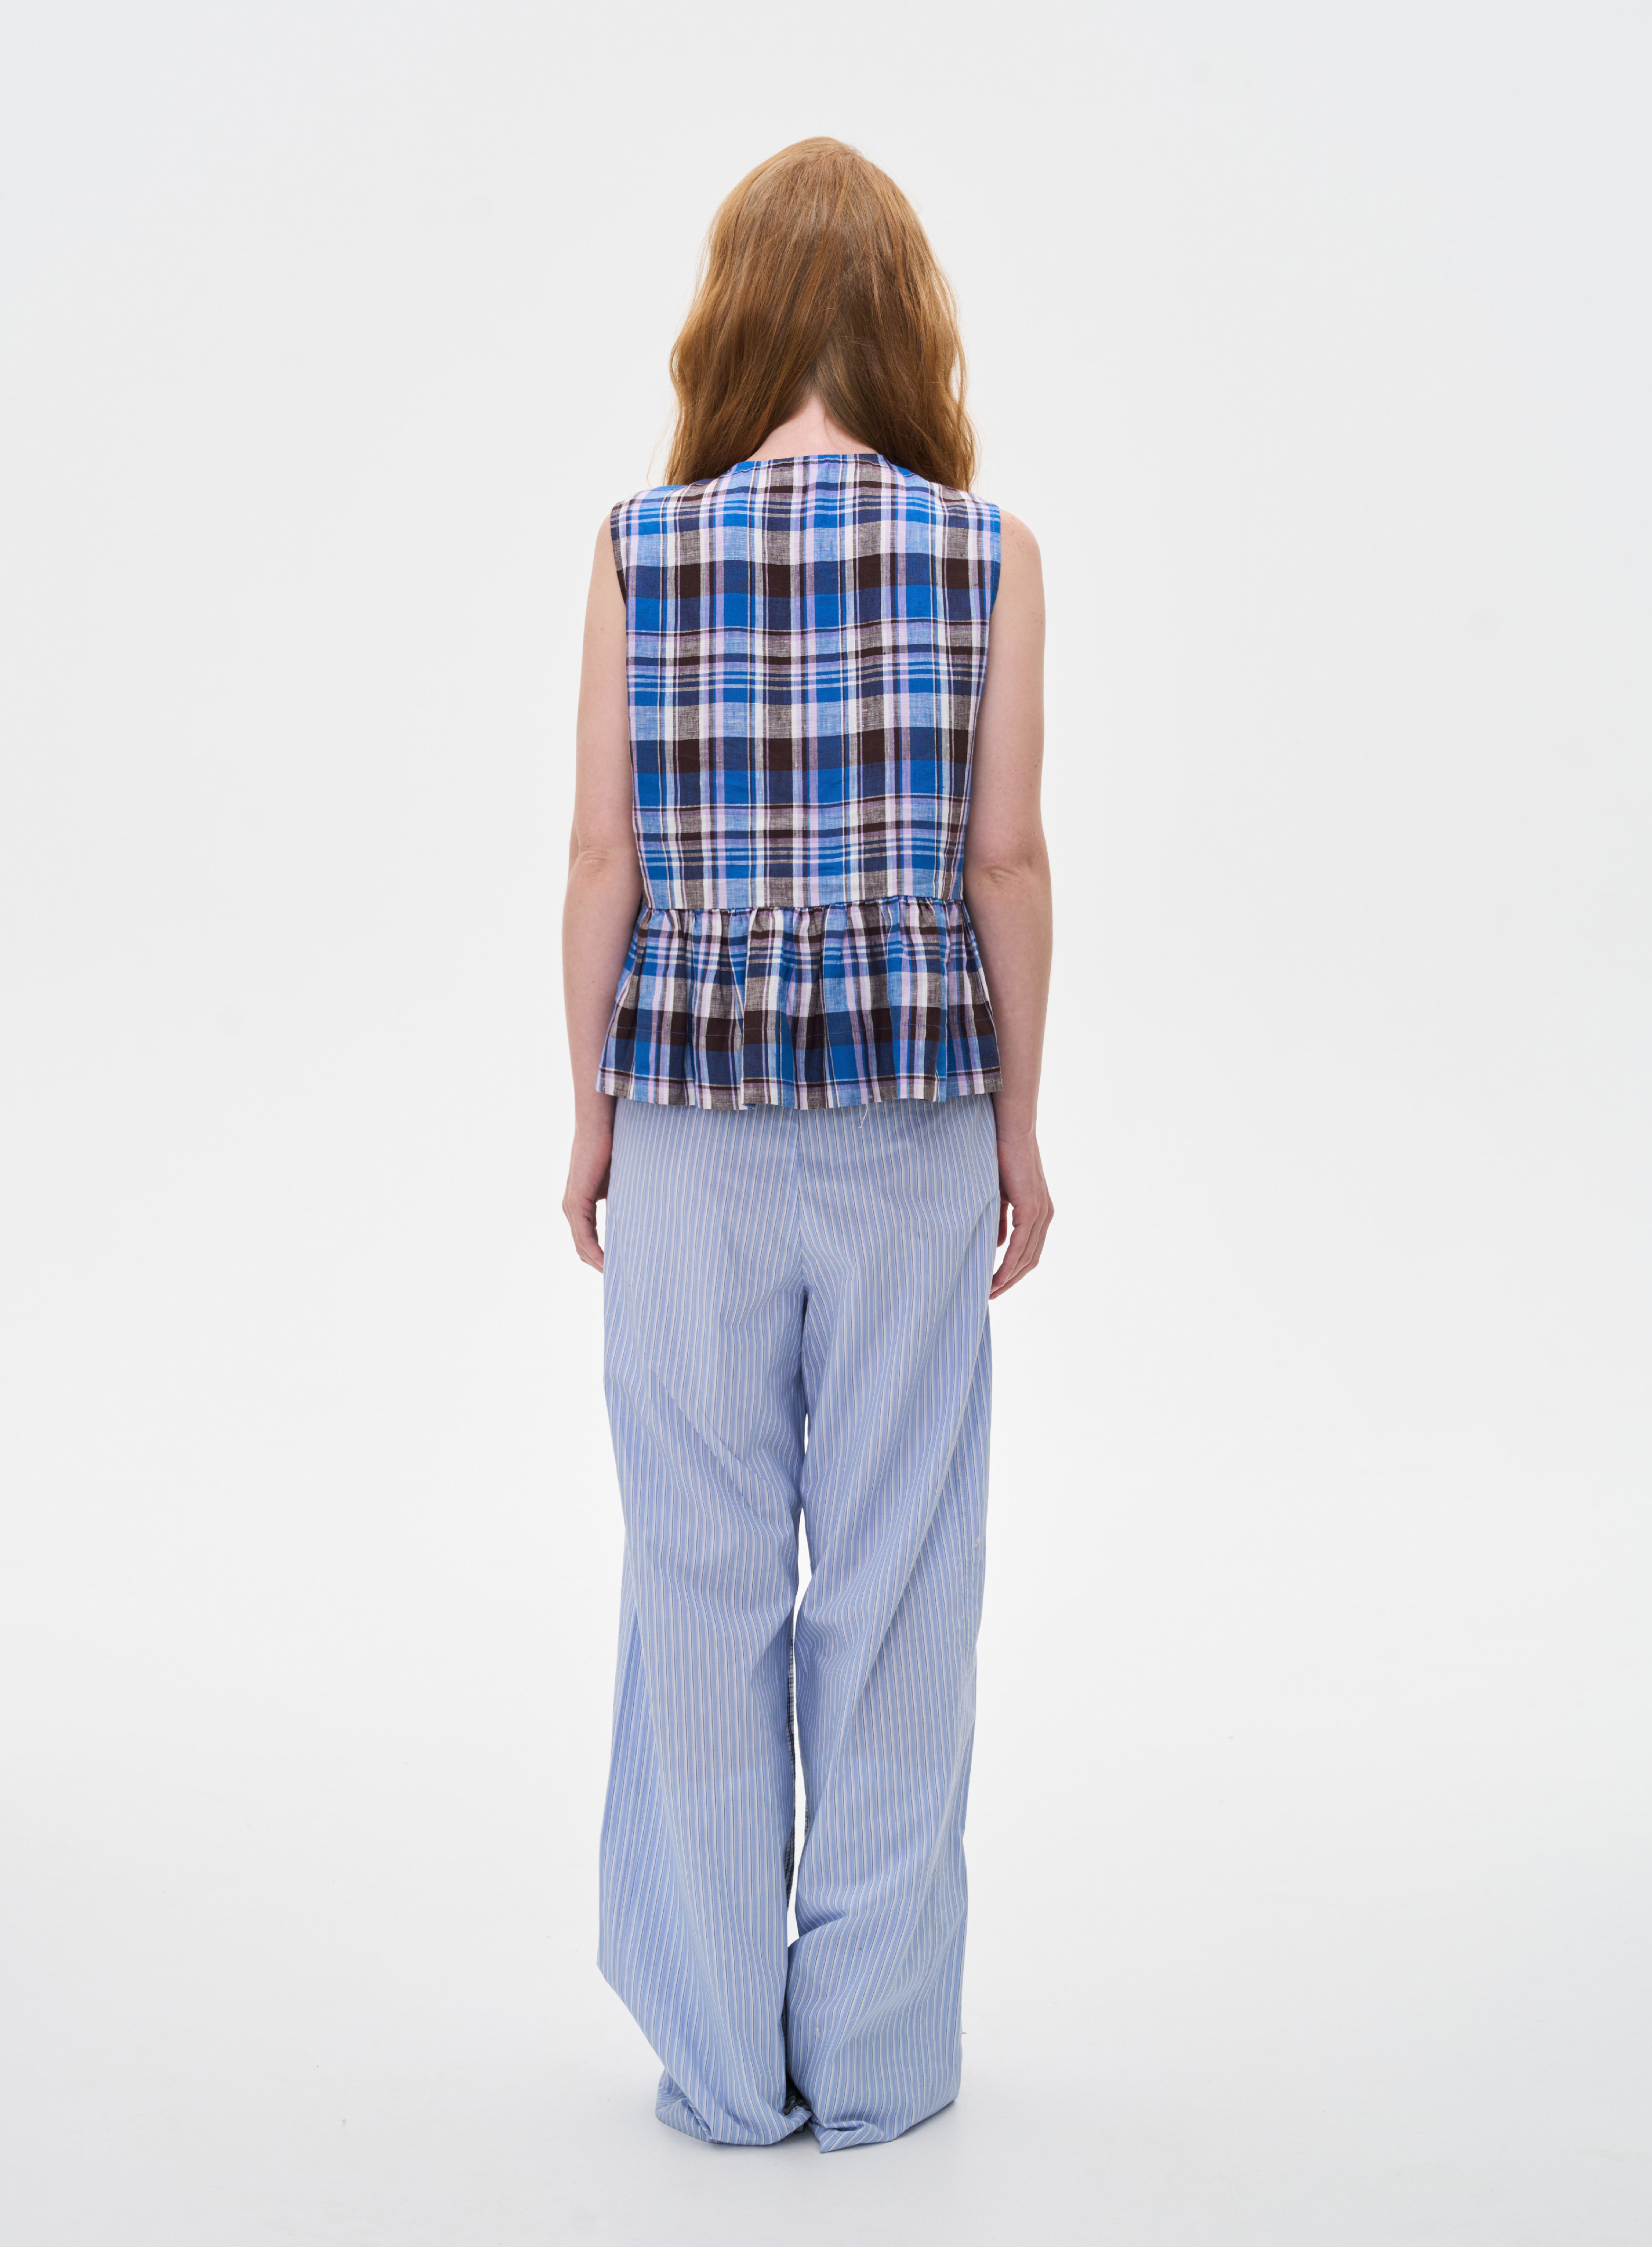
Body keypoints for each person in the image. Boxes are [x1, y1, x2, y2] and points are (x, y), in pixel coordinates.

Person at [560, 136, 1053, 2152]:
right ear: (910, 329)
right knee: (901, 1575)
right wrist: (1025, 1122)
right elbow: (1006, 864)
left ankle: (716, 2055)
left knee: (698, 1574)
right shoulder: (989, 556)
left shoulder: (638, 550)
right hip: (912, 1116)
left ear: (735, 321)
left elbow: (601, 860)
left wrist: (586, 1112)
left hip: (689, 1116)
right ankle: (876, 2054)